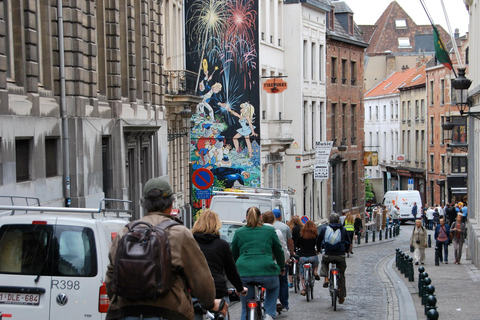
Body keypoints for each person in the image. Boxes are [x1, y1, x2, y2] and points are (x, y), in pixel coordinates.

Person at [105, 176, 226, 320]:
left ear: (144, 203)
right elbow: (200, 278)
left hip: (127, 313)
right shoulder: (180, 234)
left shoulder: (125, 232)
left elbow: (111, 277)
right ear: (171, 204)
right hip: (169, 313)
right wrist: (208, 302)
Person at [191, 210, 247, 319]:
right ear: (217, 225)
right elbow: (231, 271)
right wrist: (240, 288)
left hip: (196, 291)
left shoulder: (191, 243)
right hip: (217, 290)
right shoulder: (222, 245)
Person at [231, 207, 285, 320]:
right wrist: (281, 267)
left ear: (246, 218)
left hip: (244, 272)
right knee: (274, 287)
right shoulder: (269, 231)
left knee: (245, 307)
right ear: (261, 217)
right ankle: (269, 313)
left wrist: (237, 268)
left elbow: (234, 253)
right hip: (267, 270)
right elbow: (279, 251)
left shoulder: (239, 232)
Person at [317, 213, 348, 304]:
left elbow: (319, 240)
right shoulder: (343, 230)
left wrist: (319, 249)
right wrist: (346, 250)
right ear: (339, 221)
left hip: (328, 255)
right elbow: (347, 242)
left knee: (324, 262)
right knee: (341, 275)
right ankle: (341, 296)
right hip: (340, 255)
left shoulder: (325, 229)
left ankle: (326, 278)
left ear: (329, 221)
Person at [272, 209, 294, 313]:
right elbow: (290, 243)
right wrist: (291, 254)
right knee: (283, 281)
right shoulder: (285, 227)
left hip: (270, 259)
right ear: (280, 217)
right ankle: (284, 304)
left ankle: (274, 301)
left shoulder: (264, 227)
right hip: (282, 258)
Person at [295, 220, 320, 296]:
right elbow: (318, 244)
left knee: (302, 273)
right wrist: (318, 250)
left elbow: (297, 244)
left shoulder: (301, 234)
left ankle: (304, 289)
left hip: (303, 257)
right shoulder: (315, 235)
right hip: (312, 256)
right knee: (316, 263)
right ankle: (315, 271)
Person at [286, 215, 303, 288]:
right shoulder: (302, 228)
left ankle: (291, 282)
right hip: (299, 248)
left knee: (290, 264)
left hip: (291, 248)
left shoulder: (289, 228)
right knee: (299, 262)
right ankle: (298, 275)